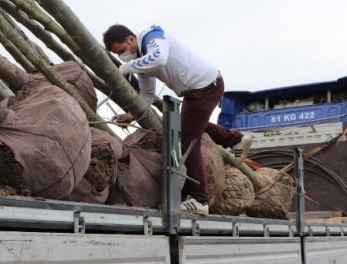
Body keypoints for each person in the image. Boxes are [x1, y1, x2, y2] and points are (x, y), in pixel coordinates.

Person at [103, 24, 253, 215]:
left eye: (122, 50)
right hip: (195, 91)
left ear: (131, 39)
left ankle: (200, 199)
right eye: (118, 55)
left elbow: (160, 57)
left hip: (205, 85)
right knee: (189, 125)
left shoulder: (151, 37)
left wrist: (127, 67)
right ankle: (235, 139)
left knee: (188, 141)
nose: (122, 57)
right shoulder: (141, 62)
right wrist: (132, 115)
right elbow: (148, 94)